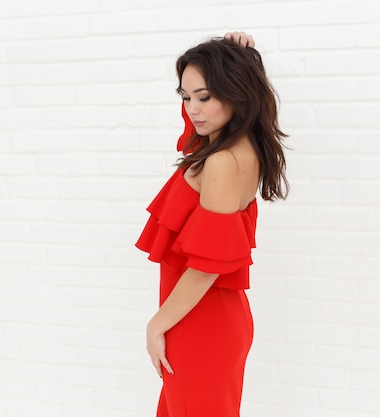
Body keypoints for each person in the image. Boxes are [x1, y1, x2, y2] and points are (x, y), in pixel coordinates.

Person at [136, 31, 288, 417]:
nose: (192, 110)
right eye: (185, 97)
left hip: (199, 324)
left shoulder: (221, 162)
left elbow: (206, 265)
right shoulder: (233, 146)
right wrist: (242, 56)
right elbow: (192, 135)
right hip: (207, 319)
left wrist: (157, 324)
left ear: (236, 94)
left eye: (204, 97)